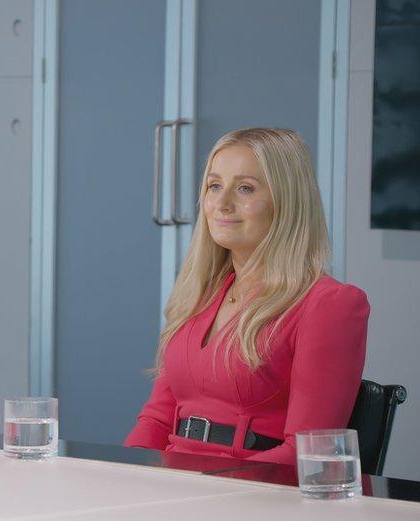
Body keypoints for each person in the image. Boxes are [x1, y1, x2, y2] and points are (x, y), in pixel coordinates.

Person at [124, 127, 369, 465]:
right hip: (176, 483)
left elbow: (307, 451)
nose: (222, 204)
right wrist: (127, 477)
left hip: (256, 492)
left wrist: (214, 492)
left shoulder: (330, 304)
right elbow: (156, 420)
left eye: (245, 188)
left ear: (287, 201)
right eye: (214, 186)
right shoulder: (200, 294)